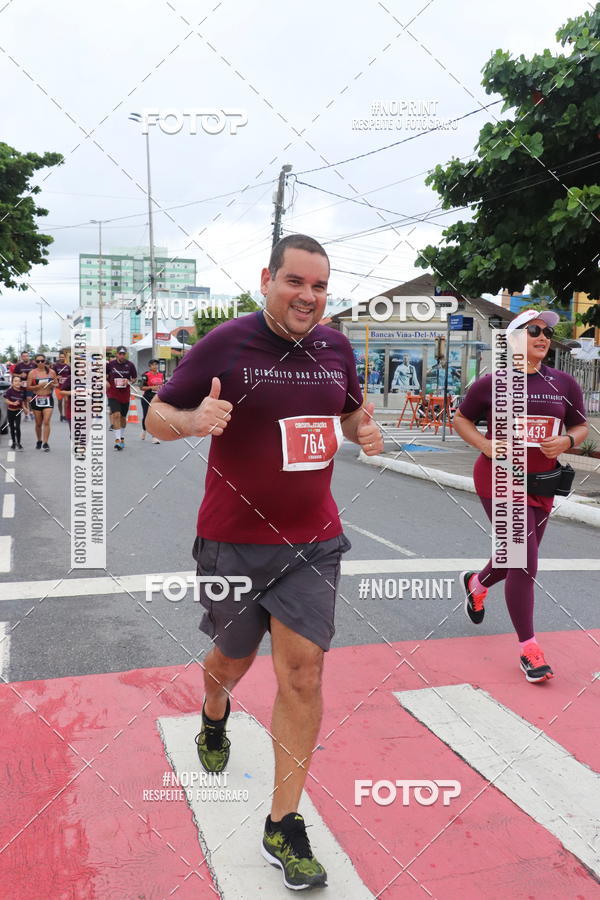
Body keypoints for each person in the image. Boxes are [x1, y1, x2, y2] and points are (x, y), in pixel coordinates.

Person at [147, 234, 383, 891]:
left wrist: (364, 427)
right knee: (231, 659)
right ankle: (214, 711)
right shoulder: (227, 342)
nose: (308, 296)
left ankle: (284, 823)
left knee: (303, 673)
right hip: (233, 541)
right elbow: (153, 414)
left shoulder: (335, 345)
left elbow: (349, 407)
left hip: (313, 541)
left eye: (320, 286)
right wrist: (193, 421)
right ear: (267, 280)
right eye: (296, 282)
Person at [454, 309, 588, 683]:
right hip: (499, 481)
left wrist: (566, 440)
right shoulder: (491, 383)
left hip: (543, 482)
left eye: (547, 331)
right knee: (525, 563)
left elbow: (579, 425)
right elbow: (461, 418)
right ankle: (529, 649)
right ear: (514, 339)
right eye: (533, 330)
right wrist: (484, 444)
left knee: (515, 558)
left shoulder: (563, 383)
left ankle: (476, 584)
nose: (543, 336)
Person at [106, 345, 137, 451]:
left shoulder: (130, 365)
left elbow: (134, 378)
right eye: (120, 354)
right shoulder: (110, 365)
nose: (122, 356)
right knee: (116, 415)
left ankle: (122, 437)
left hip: (125, 394)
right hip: (112, 393)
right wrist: (106, 382)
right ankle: (117, 440)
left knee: (123, 418)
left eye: (124, 354)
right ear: (117, 354)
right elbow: (103, 376)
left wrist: (130, 381)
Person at [26, 354, 58, 451]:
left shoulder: (51, 372)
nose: (40, 363)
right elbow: (28, 387)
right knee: (38, 423)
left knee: (47, 421)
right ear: (35, 362)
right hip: (37, 398)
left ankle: (45, 442)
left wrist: (51, 384)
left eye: (42, 360)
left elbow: (56, 384)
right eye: (38, 361)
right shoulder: (32, 373)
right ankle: (39, 440)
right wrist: (38, 386)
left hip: (48, 398)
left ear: (45, 361)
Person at [139, 359, 165, 443]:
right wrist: (151, 387)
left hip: (157, 399)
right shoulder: (145, 375)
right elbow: (141, 387)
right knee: (146, 416)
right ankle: (144, 430)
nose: (155, 366)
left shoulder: (161, 375)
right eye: (153, 365)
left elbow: (163, 384)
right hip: (147, 398)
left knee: (156, 417)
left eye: (156, 365)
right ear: (149, 366)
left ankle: (154, 436)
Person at [13, 351, 36, 420]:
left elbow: (38, 372)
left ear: (29, 357)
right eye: (24, 356)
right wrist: (20, 375)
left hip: (30, 385)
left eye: (27, 356)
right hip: (22, 385)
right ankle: (26, 415)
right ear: (22, 357)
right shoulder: (19, 365)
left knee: (29, 398)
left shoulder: (33, 365)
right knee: (24, 400)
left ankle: (31, 412)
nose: (25, 357)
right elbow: (14, 374)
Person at [4, 374, 25, 450]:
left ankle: (19, 443)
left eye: (19, 381)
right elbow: (6, 400)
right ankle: (13, 442)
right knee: (12, 428)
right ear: (12, 382)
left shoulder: (22, 391)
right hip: (10, 411)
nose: (17, 383)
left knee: (18, 427)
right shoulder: (9, 391)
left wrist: (25, 408)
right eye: (15, 381)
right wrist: (13, 403)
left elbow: (23, 402)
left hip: (18, 411)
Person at [54, 351, 71, 422]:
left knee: (66, 401)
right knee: (60, 402)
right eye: (60, 357)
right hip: (58, 386)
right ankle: (61, 414)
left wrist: (68, 378)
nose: (62, 358)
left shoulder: (68, 366)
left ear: (65, 358)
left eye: (63, 357)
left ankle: (66, 415)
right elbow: (52, 375)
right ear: (59, 357)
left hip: (66, 387)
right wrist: (56, 377)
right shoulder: (55, 366)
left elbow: (71, 375)